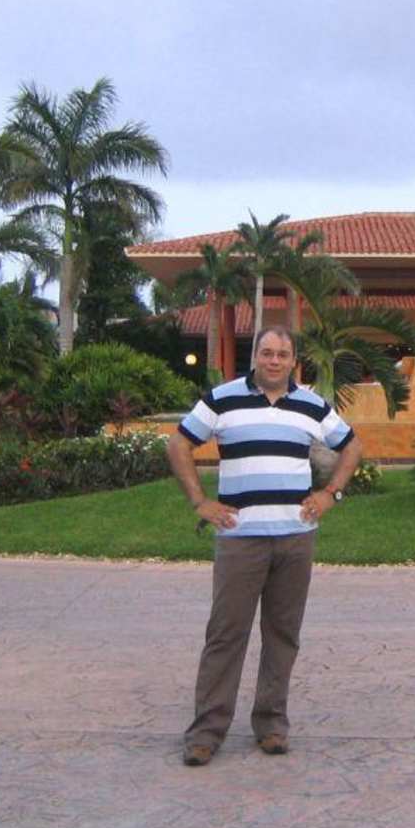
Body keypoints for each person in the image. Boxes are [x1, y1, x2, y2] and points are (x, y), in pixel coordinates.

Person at [166, 324, 362, 767]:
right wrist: (200, 501)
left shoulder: (312, 405)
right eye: (267, 352)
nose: (274, 361)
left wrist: (330, 494)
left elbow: (352, 446)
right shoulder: (222, 399)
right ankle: (206, 732)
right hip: (240, 538)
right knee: (225, 634)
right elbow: (179, 444)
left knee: (282, 634)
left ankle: (272, 724)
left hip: (295, 538)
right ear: (254, 355)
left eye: (283, 354)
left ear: (293, 361)